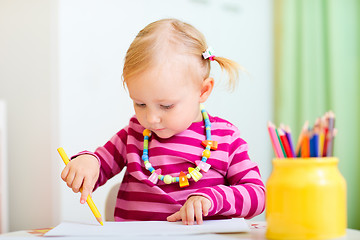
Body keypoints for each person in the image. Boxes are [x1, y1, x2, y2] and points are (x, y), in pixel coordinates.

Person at [61, 18, 265, 225]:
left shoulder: (225, 138)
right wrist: (88, 163)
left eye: (166, 106)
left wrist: (213, 199)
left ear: (203, 91)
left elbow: (257, 195)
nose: (151, 118)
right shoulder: (134, 134)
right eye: (140, 104)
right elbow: (100, 166)